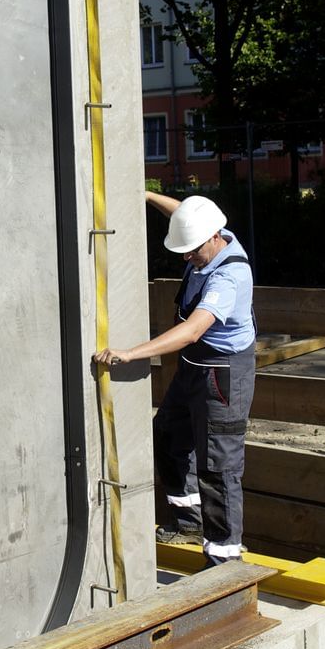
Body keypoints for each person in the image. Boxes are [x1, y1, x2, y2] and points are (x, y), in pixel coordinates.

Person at [94, 192, 256, 564]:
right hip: (195, 369)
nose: (186, 257)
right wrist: (145, 194)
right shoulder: (211, 234)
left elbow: (192, 331)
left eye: (192, 250)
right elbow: (184, 213)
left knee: (218, 466)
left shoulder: (229, 276)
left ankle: (224, 560)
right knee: (168, 436)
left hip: (223, 375)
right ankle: (190, 523)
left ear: (214, 237)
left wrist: (131, 353)